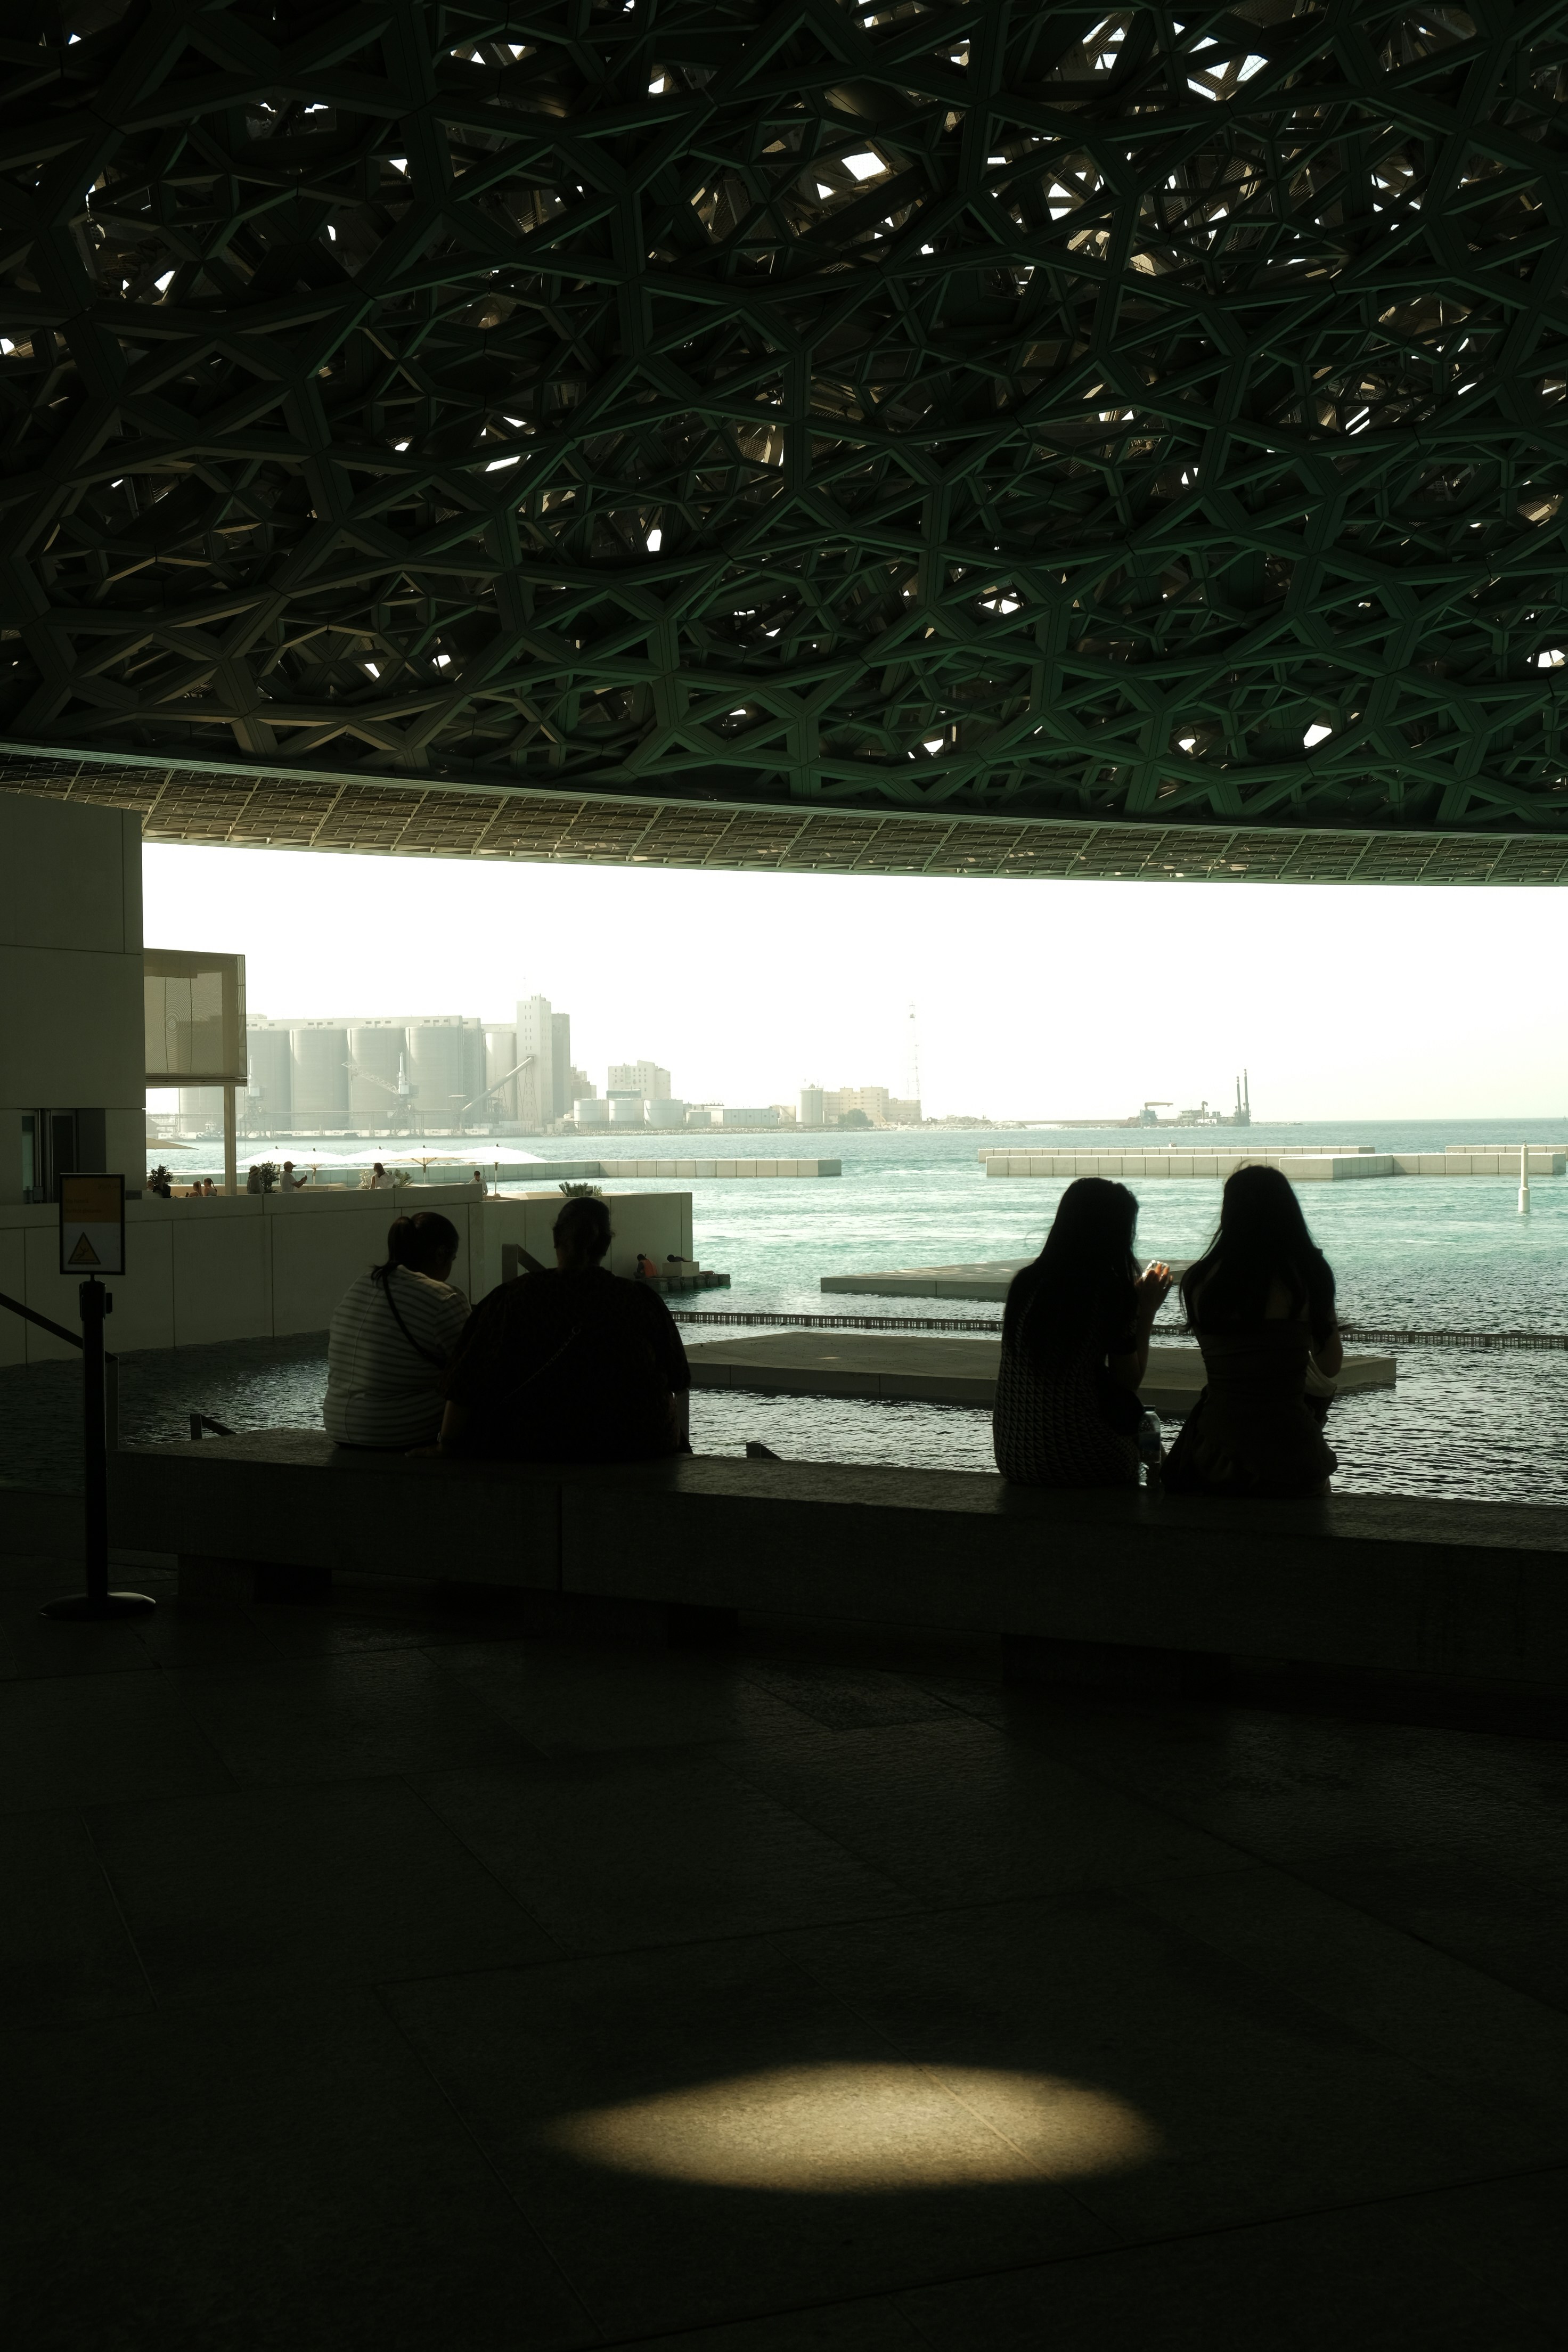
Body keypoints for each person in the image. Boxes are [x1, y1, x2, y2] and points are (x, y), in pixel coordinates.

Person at [438, 1194, 689, 1462]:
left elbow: (465, 1383)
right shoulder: (639, 1301)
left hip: (534, 1448)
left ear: (556, 1238)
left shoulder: (510, 1300)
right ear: (606, 1244)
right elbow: (679, 1378)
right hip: (636, 1449)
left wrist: (447, 1446)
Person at [1161, 1164, 1341, 1499]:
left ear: (1229, 1213)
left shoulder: (1199, 1280)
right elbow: (1330, 1365)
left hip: (1213, 1450)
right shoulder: (1308, 1275)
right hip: (1291, 1449)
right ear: (1288, 1212)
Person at [993, 1177, 1171, 1488]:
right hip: (1084, 1460)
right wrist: (1146, 1311)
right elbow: (1129, 1382)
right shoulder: (1110, 1293)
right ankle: (1161, 1488)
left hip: (1015, 1458)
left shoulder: (1026, 1283)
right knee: (1146, 1424)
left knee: (1127, 1410)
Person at [323, 1212, 468, 1450]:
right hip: (394, 1432)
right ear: (442, 1254)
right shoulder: (444, 1298)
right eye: (453, 1258)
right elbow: (474, 1374)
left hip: (337, 1426)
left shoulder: (361, 1284)